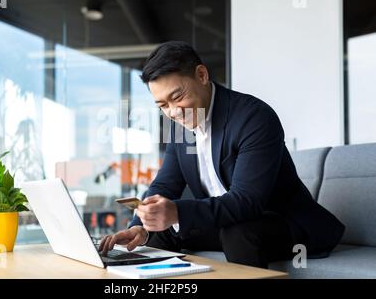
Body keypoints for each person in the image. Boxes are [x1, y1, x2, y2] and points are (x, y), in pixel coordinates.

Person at [98, 41, 345, 268]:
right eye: (163, 105)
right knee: (158, 232)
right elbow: (165, 184)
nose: (173, 112)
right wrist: (140, 226)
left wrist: (178, 212)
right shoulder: (181, 128)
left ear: (202, 75)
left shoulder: (253, 117)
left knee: (237, 232)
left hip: (285, 224)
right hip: (228, 224)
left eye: (177, 97)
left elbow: (249, 201)